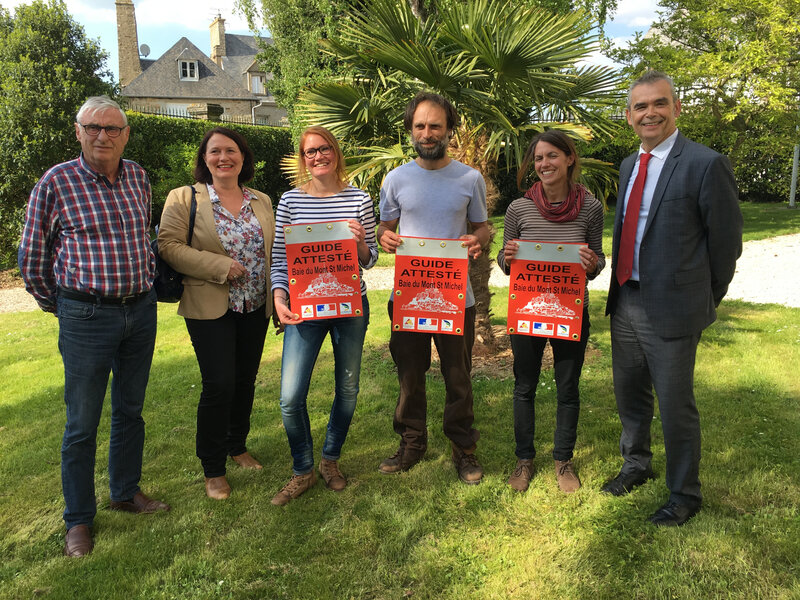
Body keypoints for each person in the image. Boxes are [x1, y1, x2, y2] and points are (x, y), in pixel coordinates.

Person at [18, 96, 169, 558]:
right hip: (86, 315)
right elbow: (33, 258)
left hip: (139, 311)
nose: (103, 135)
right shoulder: (56, 182)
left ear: (126, 134)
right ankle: (79, 520)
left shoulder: (138, 176)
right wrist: (62, 305)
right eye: (93, 127)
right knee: (81, 424)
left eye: (112, 128)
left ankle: (125, 491)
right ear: (78, 132)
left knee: (131, 410)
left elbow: (142, 239)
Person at [603, 70, 742, 526]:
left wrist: (705, 297)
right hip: (626, 300)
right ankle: (636, 465)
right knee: (630, 396)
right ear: (629, 116)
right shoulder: (628, 165)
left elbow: (726, 244)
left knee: (675, 405)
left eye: (659, 103)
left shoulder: (705, 163)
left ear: (676, 108)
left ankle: (684, 494)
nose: (650, 113)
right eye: (640, 106)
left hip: (675, 310)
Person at [377, 92, 490, 484]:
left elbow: (482, 227)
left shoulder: (469, 178)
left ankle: (464, 449)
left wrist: (479, 240)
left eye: (435, 126)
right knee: (410, 373)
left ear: (448, 130)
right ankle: (412, 442)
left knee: (458, 375)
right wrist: (384, 237)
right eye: (420, 126)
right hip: (407, 295)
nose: (427, 133)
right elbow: (384, 227)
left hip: (457, 298)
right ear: (411, 130)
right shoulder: (395, 179)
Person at [158, 127, 275, 500]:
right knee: (219, 383)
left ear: (243, 157)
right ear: (204, 159)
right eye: (215, 152)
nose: (223, 158)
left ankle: (237, 445)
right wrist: (219, 265)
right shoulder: (184, 197)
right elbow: (168, 246)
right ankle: (212, 467)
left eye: (231, 150)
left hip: (255, 304)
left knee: (245, 380)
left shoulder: (261, 199)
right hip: (210, 305)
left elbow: (276, 249)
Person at [269, 126, 378, 505]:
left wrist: (362, 239)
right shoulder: (290, 202)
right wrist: (279, 298)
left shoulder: (359, 199)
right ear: (303, 159)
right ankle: (303, 470)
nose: (317, 156)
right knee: (289, 396)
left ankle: (330, 460)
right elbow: (280, 259)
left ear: (335, 152)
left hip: (350, 306)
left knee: (347, 389)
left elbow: (369, 259)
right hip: (304, 309)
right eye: (309, 152)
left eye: (324, 149)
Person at [497, 130, 605, 494]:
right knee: (524, 387)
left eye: (553, 156)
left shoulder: (591, 207)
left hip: (571, 312)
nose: (545, 164)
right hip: (527, 311)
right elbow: (504, 263)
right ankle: (524, 459)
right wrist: (506, 257)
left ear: (570, 158)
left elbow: (598, 260)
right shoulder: (518, 209)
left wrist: (592, 263)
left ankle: (563, 460)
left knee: (567, 389)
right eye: (539, 158)